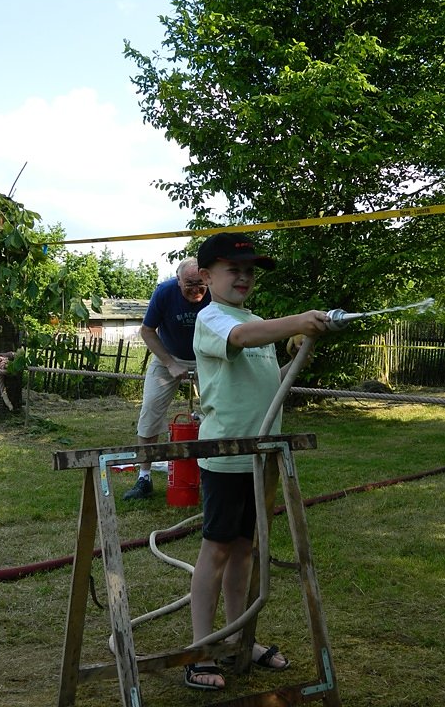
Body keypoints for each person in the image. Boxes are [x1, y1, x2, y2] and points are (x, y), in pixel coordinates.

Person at [184, 232, 329, 691]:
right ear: (206, 276)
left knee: (245, 550)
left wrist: (297, 352)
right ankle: (201, 649)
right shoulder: (212, 318)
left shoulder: (256, 321)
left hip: (260, 456)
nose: (244, 277)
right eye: (234, 269)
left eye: (249, 271)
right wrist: (297, 322)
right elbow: (241, 339)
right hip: (226, 456)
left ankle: (238, 638)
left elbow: (268, 384)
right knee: (217, 550)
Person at [123, 258, 211, 500]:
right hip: (168, 357)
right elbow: (147, 331)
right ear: (177, 280)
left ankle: (213, 476)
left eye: (201, 283)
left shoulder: (216, 292)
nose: (196, 289)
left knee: (217, 412)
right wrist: (170, 363)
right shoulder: (164, 292)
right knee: (150, 410)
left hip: (207, 358)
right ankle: (144, 478)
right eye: (189, 284)